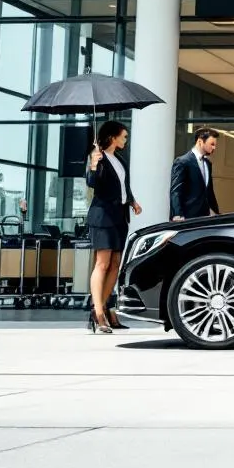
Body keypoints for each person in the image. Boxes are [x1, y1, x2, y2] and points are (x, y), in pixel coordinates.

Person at [84, 120, 141, 334]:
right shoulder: (97, 156)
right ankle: (98, 312)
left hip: (119, 216)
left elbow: (123, 186)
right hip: (102, 216)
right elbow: (92, 183)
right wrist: (93, 164)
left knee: (115, 263)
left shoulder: (119, 159)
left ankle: (104, 306)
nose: (126, 139)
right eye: (124, 136)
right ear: (113, 136)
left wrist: (132, 201)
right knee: (102, 263)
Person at [170, 129, 220, 221]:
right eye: (212, 144)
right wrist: (177, 214)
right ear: (200, 141)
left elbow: (209, 191)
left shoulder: (208, 164)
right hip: (187, 218)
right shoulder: (182, 162)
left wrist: (216, 213)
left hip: (205, 218)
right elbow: (176, 191)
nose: (214, 148)